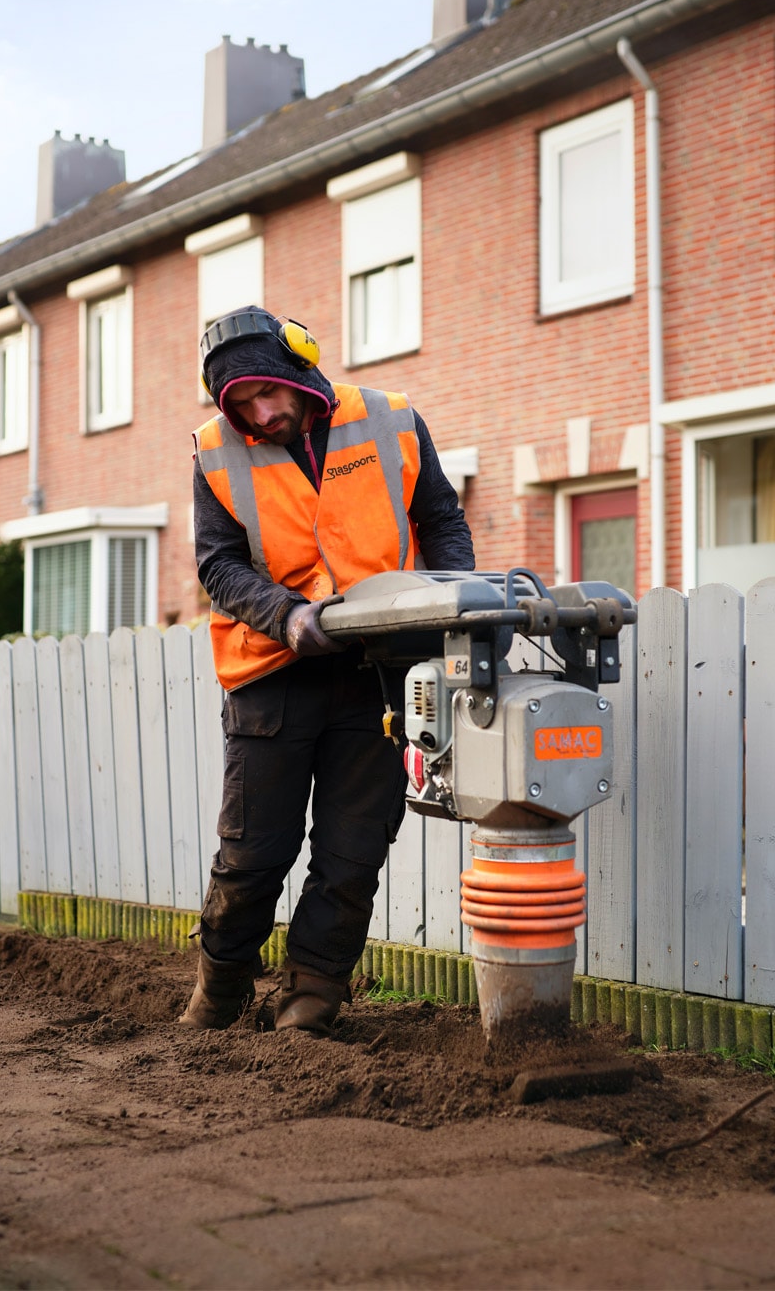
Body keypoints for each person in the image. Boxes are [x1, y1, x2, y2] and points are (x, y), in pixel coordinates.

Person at [181, 306, 475, 1034]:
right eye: (242, 404)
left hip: (379, 672)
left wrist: (438, 605)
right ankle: (219, 987)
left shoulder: (392, 419)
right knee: (254, 855)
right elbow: (217, 564)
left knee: (353, 848)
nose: (262, 412)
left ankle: (313, 994)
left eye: (267, 393)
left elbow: (440, 518)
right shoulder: (215, 452)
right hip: (272, 673)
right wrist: (287, 615)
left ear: (301, 369)